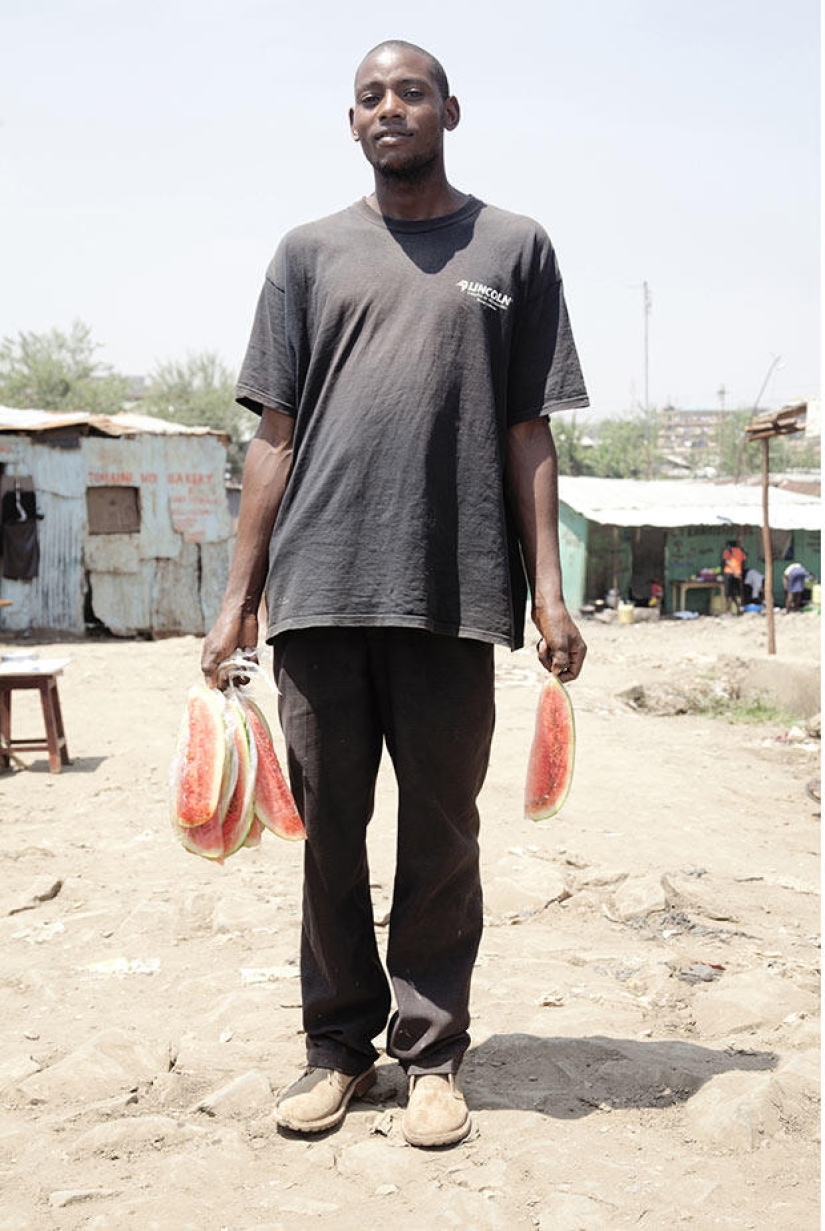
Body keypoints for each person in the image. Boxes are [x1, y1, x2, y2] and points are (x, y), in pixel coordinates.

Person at [201, 39, 588, 1148]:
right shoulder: (309, 252)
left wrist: (550, 593)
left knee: (442, 834)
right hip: (320, 585)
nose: (389, 108)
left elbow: (530, 430)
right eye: (369, 95)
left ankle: (431, 1055)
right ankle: (335, 1051)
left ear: (450, 109)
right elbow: (272, 433)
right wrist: (239, 596)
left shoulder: (513, 248)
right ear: (352, 120)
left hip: (457, 587)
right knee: (329, 832)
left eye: (410, 91)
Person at [721, 539, 746, 613]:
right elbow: (744, 562)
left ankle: (729, 610)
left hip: (729, 573)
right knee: (738, 592)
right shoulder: (741, 552)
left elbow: (726, 561)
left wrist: (734, 570)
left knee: (729, 593)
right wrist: (739, 570)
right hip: (738, 574)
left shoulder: (727, 551)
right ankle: (739, 607)